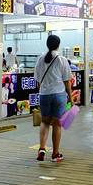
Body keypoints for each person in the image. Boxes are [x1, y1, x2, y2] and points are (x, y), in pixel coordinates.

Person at [34, 35, 73, 163]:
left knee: (45, 122)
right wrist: (70, 98)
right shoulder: (62, 60)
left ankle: (41, 149)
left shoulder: (40, 59)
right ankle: (55, 154)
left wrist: (43, 91)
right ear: (58, 45)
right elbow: (67, 81)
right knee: (57, 124)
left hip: (44, 94)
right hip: (59, 94)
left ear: (47, 44)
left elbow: (38, 80)